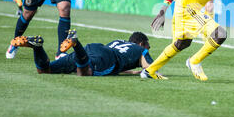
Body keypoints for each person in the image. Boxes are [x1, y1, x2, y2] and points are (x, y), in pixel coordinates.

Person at [10, 30, 160, 77]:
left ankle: (37, 47)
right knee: (85, 72)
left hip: (93, 49)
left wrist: (132, 72)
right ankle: (75, 43)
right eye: (148, 44)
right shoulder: (141, 50)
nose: (149, 47)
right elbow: (152, 68)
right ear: (141, 44)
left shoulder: (118, 41)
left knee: (44, 69)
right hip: (106, 58)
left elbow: (111, 57)